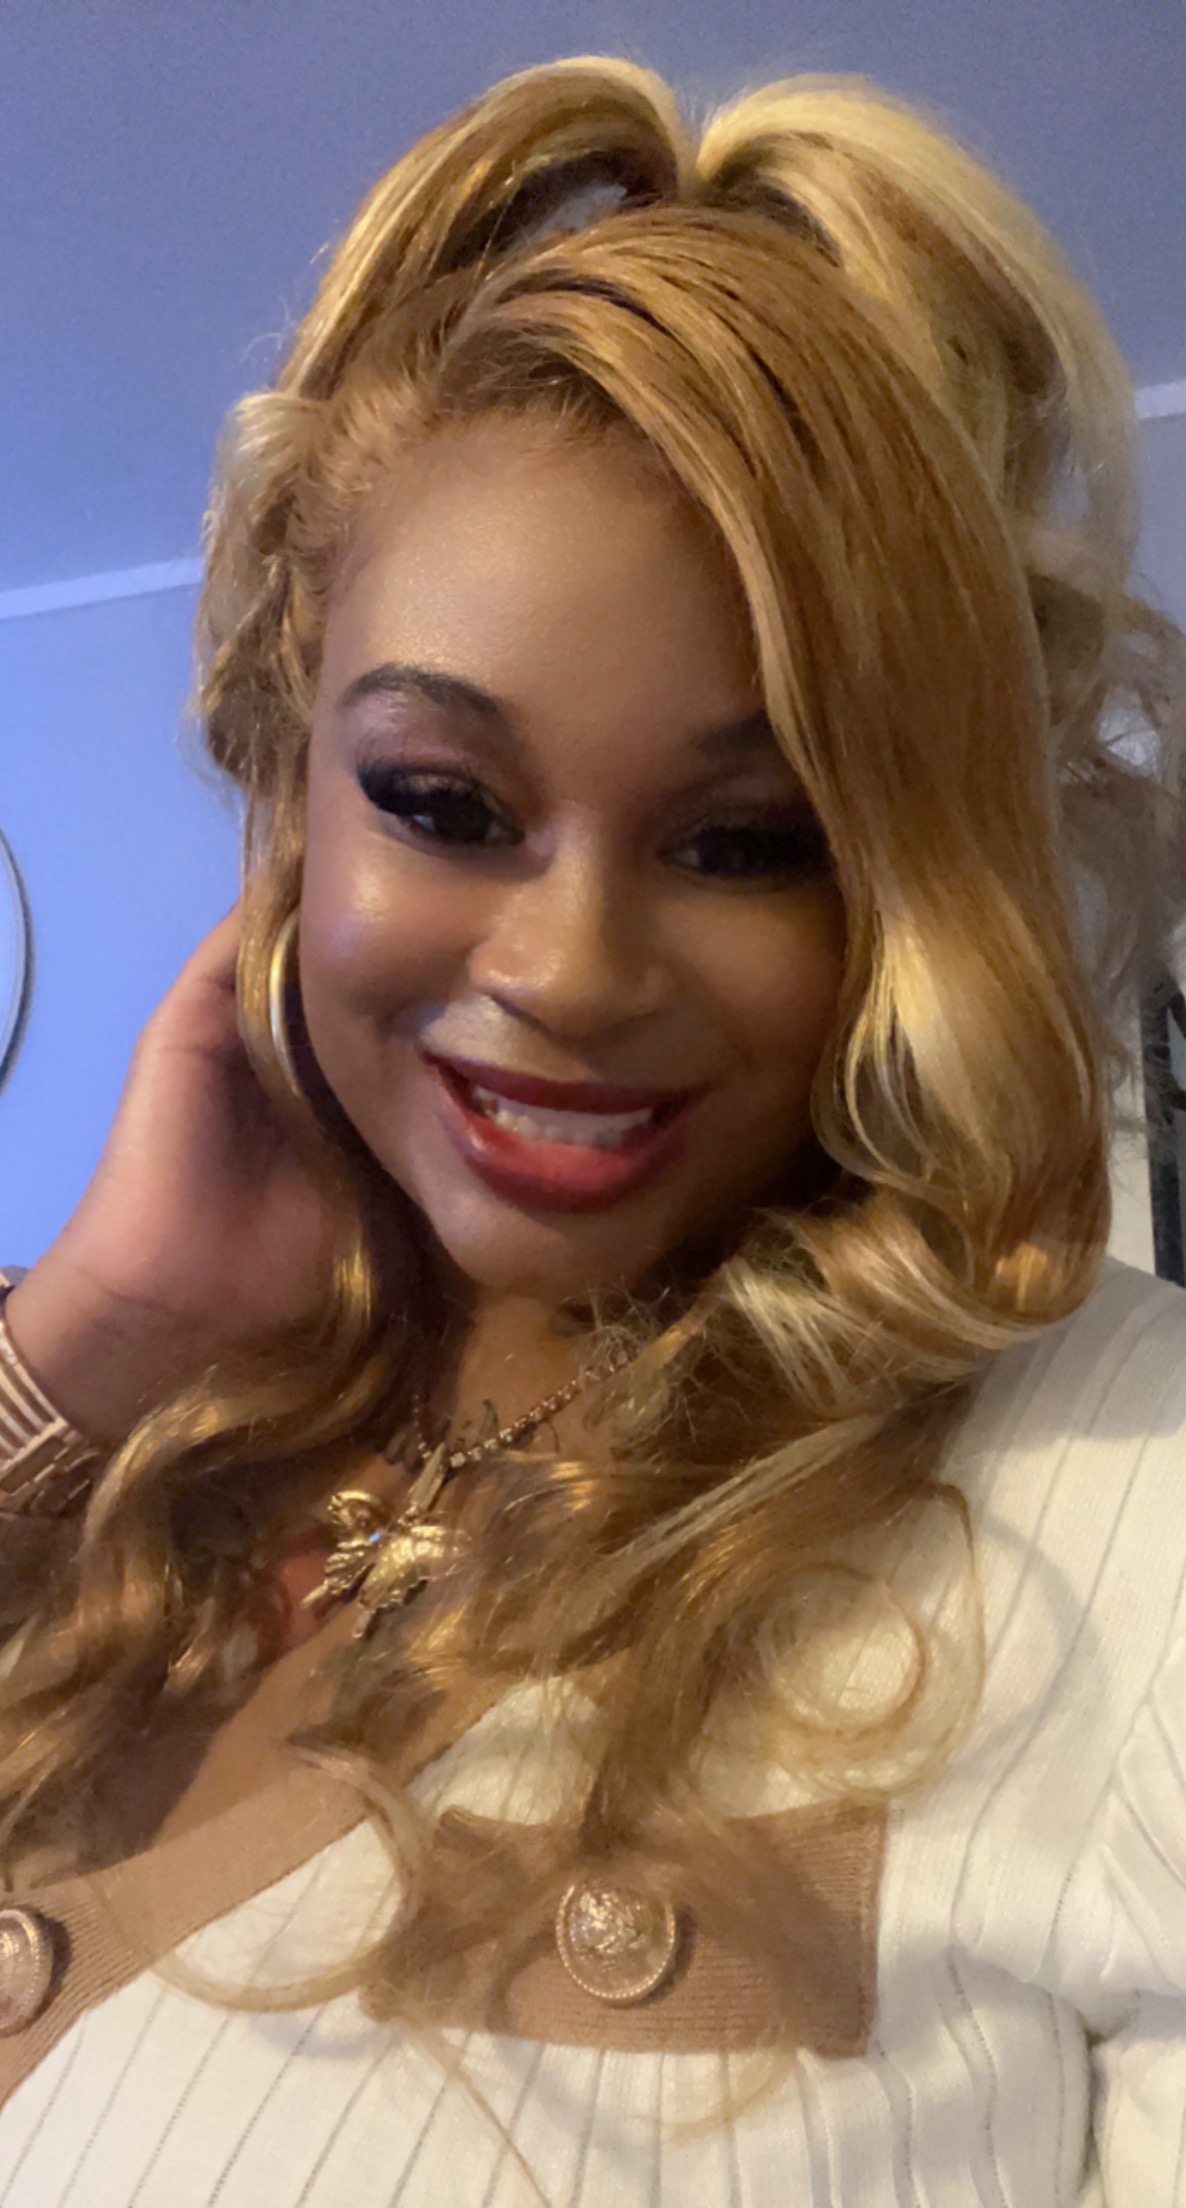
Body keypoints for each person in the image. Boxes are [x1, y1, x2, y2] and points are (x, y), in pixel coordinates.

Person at [0, 53, 1183, 2208]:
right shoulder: (159, 1407)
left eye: (745, 841)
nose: (565, 970)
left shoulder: (1134, 1504)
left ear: (909, 888)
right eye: (441, 804)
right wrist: (95, 1332)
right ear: (288, 789)